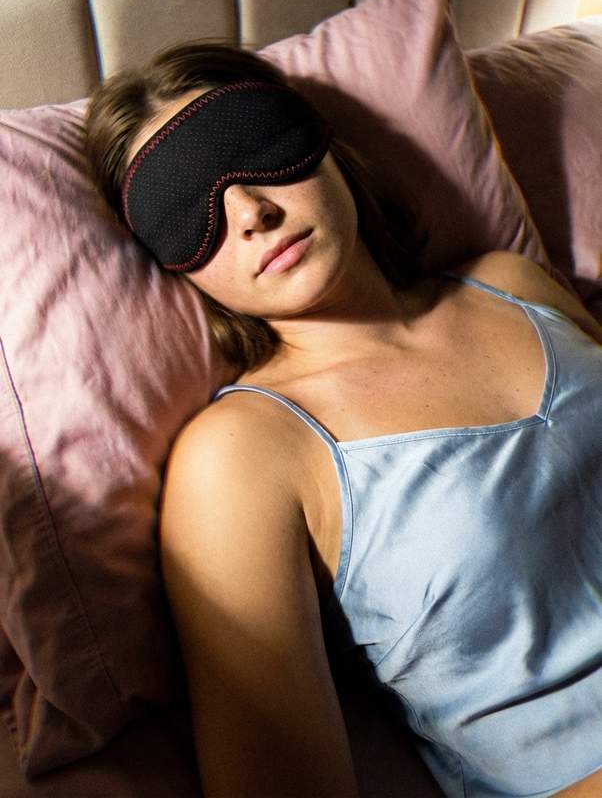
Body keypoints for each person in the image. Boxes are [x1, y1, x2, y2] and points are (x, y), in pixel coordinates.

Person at [84, 43, 602, 798]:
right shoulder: (242, 455)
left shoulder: (512, 283)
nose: (251, 213)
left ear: (322, 142)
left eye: (252, 149)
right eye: (183, 206)